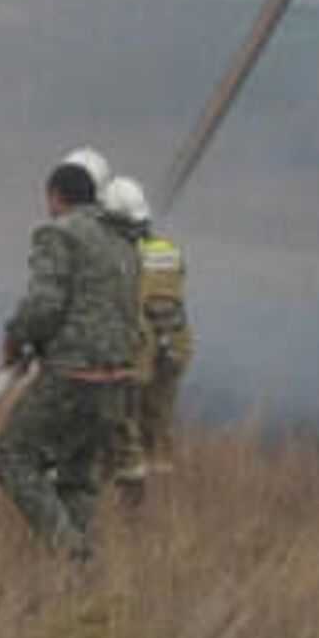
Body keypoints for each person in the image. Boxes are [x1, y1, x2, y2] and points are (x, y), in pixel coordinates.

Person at [0, 159, 141, 559]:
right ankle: (76, 578)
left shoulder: (59, 233)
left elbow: (44, 305)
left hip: (75, 377)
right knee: (77, 476)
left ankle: (71, 548)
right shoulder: (122, 239)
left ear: (55, 197)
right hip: (119, 382)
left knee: (11, 457)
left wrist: (15, 337)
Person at [102, 176, 194, 496]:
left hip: (140, 347)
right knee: (160, 423)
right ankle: (164, 499)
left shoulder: (122, 256)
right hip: (176, 345)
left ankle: (131, 497)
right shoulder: (169, 250)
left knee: (125, 422)